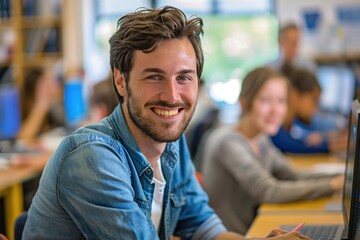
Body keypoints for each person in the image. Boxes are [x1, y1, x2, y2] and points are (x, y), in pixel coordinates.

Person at [22, 6, 309, 239]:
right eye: (154, 77)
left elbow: (201, 225)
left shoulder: (171, 143)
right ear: (121, 81)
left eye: (184, 77)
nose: (172, 97)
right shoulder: (91, 157)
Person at [201, 67, 344, 235]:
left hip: (253, 229)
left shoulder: (260, 138)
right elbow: (268, 191)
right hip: (237, 235)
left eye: (281, 101)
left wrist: (343, 178)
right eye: (265, 100)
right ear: (244, 102)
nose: (276, 110)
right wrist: (332, 185)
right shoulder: (227, 142)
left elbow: (291, 174)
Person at [271, 63, 348, 154]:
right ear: (295, 95)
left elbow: (304, 140)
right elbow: (290, 146)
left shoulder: (293, 122)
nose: (315, 108)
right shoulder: (275, 120)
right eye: (313, 100)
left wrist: (331, 138)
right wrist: (332, 145)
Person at [17, 67, 63, 143]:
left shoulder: (53, 110)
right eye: (46, 84)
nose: (53, 87)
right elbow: (22, 139)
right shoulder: (19, 111)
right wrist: (42, 105)